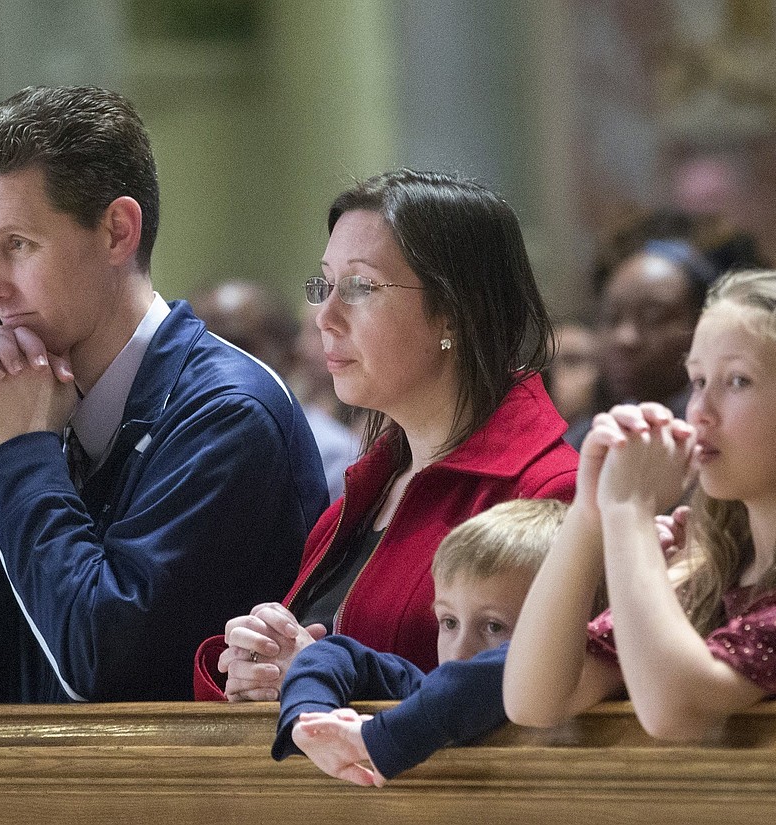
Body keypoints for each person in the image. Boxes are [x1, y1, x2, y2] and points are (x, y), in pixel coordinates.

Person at [0, 86, 328, 703]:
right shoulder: (27, 404)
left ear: (118, 231)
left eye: (19, 245)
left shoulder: (227, 414)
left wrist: (19, 456)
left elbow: (107, 672)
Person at [193, 169, 579, 701]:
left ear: (453, 313)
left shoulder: (552, 493)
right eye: (324, 285)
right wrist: (251, 667)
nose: (325, 317)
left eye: (359, 287)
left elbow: (531, 715)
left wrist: (320, 677)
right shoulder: (361, 496)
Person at [504, 270, 776, 742]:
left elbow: (675, 710)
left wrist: (630, 513)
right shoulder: (711, 565)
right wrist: (589, 516)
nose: (700, 409)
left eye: (738, 381)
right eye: (698, 379)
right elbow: (534, 699)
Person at [272, 497, 567, 786]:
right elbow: (335, 653)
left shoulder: (564, 676)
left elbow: (514, 667)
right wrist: (309, 716)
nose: (460, 650)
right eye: (449, 622)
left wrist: (379, 737)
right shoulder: (427, 694)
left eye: (493, 626)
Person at [189, 279, 359, 502]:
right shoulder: (166, 432)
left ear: (290, 357)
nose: (215, 359)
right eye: (201, 343)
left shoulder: (332, 453)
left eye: (237, 346)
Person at [566, 238, 718, 448]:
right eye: (612, 318)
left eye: (653, 318)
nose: (625, 338)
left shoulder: (718, 437)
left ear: (703, 323)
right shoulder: (583, 440)